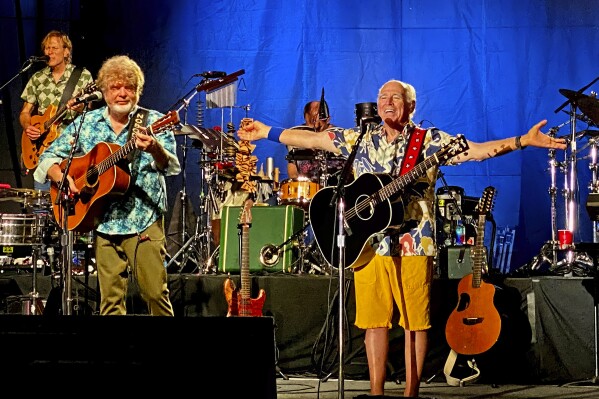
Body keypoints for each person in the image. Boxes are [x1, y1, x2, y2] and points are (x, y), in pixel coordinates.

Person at [237, 79, 567, 398]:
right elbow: (313, 141)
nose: (387, 103)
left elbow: (477, 151)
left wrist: (522, 140)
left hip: (413, 240)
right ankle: (376, 393)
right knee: (373, 323)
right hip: (367, 245)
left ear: (410, 105)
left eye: (394, 97)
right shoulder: (361, 137)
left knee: (414, 323)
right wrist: (266, 132)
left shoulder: (428, 140)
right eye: (382, 98)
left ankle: (412, 394)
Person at [34, 55, 181, 316]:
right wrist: (62, 177)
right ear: (103, 91)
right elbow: (46, 159)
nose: (123, 94)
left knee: (156, 295)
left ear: (138, 91)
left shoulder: (153, 121)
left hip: (143, 220)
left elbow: (170, 166)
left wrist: (155, 147)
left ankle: (165, 355)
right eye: (115, 87)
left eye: (129, 87)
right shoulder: (86, 123)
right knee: (110, 303)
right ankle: (114, 355)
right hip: (102, 220)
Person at [20, 30, 95, 191]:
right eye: (47, 48)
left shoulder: (82, 76)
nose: (49, 52)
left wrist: (80, 106)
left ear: (66, 51)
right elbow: (25, 112)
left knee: (70, 202)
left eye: (54, 48)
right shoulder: (37, 78)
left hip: (72, 150)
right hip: (43, 151)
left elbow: (90, 112)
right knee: (43, 207)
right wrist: (28, 127)